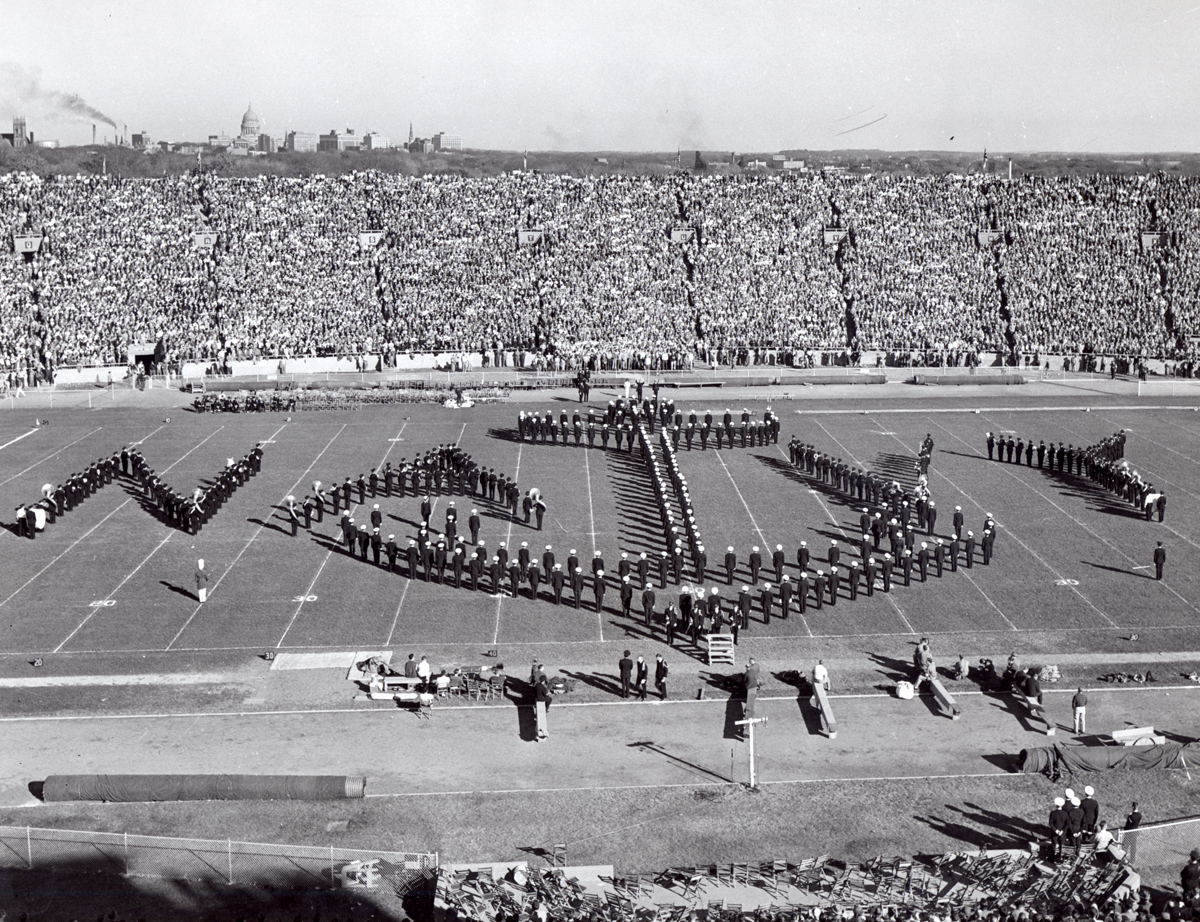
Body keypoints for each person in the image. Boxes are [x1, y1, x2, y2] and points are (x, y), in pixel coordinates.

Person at [534, 673, 551, 741]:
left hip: (536, 698)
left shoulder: (537, 685)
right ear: (543, 681)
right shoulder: (543, 687)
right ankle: (546, 708)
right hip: (541, 698)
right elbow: (545, 694)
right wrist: (547, 693)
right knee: (549, 699)